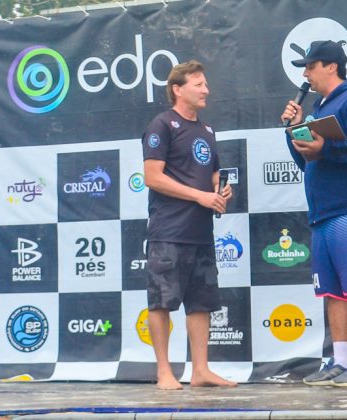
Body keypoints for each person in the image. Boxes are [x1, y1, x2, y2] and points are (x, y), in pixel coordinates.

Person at [280, 41, 347, 387]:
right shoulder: (319, 106)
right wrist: (293, 131)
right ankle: (340, 361)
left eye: (310, 66)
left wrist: (329, 146)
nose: (305, 73)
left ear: (331, 67)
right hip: (322, 211)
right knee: (334, 292)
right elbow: (307, 161)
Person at [142, 60, 236, 390]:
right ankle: (164, 372)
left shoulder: (207, 130)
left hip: (201, 232)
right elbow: (152, 177)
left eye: (206, 84)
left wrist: (220, 190)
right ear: (178, 89)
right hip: (169, 230)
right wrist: (199, 196)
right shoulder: (162, 125)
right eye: (199, 84)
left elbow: (212, 175)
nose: (206, 89)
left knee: (201, 303)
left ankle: (201, 370)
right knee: (162, 301)